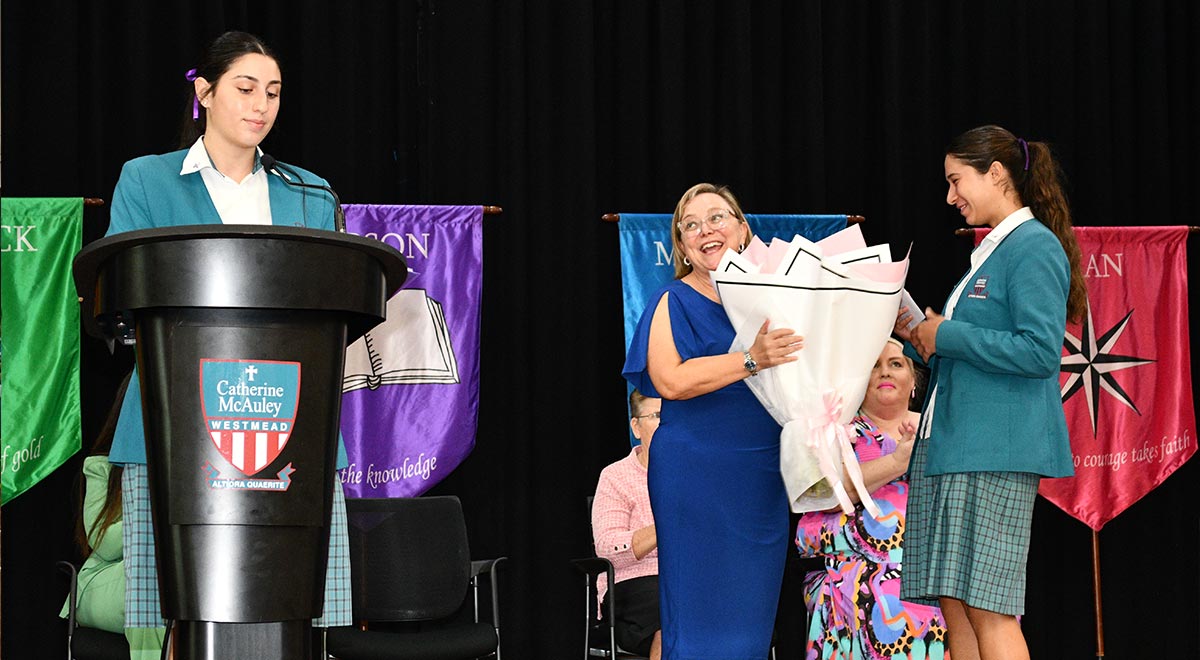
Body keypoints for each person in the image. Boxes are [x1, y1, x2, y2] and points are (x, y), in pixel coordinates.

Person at [104, 31, 352, 651]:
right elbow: (122, 288)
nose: (260, 105)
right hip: (175, 431)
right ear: (204, 92)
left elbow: (340, 301)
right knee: (176, 615)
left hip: (293, 428)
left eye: (272, 92)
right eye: (244, 88)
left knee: (293, 616)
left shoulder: (309, 192)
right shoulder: (146, 179)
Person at [895, 125, 1084, 660]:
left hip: (991, 450)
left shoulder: (1033, 246)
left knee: (990, 609)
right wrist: (924, 338)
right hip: (950, 445)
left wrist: (945, 334)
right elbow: (982, 348)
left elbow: (1039, 351)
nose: (950, 196)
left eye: (957, 181)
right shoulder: (991, 250)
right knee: (954, 603)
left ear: (996, 173)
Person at [623, 182, 804, 659]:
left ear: (742, 230)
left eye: (718, 217)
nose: (706, 230)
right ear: (681, 246)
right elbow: (670, 381)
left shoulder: (776, 302)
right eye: (691, 225)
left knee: (750, 625)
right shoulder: (672, 301)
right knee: (699, 623)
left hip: (761, 477)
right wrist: (751, 359)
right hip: (695, 476)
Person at [794, 339, 948, 660]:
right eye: (873, 366)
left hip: (932, 594)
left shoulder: (942, 432)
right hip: (851, 604)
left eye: (895, 363)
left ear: (915, 381)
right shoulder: (830, 433)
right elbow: (817, 496)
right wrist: (897, 462)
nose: (883, 372)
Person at [60, 373, 158, 655]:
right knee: (153, 572)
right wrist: (154, 512)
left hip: (159, 577)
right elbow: (104, 544)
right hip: (103, 581)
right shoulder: (101, 467)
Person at [592, 390, 663, 659]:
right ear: (636, 426)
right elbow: (608, 548)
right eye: (656, 415)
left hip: (690, 575)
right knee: (672, 610)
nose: (665, 424)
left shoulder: (696, 474)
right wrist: (664, 526)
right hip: (634, 581)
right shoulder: (616, 477)